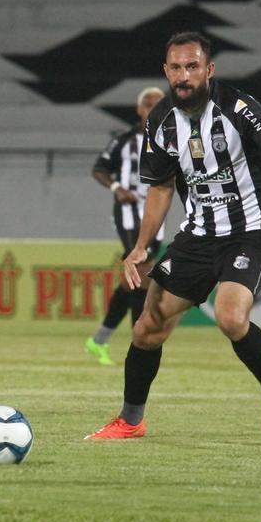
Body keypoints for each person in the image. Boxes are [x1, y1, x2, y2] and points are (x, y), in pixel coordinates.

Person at [86, 31, 261, 441]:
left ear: (209, 70)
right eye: (176, 68)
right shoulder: (160, 121)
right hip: (199, 234)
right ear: (166, 72)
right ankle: (130, 420)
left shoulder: (239, 108)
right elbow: (161, 188)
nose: (184, 76)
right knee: (146, 327)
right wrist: (140, 246)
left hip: (251, 230)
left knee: (229, 316)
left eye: (192, 67)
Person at [85, 86, 166, 365]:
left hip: (156, 216)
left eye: (159, 104)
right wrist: (117, 187)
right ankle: (138, 343)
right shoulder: (123, 141)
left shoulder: (171, 140)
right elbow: (99, 168)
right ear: (139, 110)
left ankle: (99, 340)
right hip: (130, 213)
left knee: (136, 280)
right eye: (148, 104)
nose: (153, 108)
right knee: (141, 275)